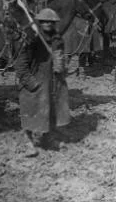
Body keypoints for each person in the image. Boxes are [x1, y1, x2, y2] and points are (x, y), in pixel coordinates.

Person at [16, 8, 70, 157]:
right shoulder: (31, 38)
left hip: (51, 79)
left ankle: (48, 137)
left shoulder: (57, 39)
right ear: (39, 22)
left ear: (54, 23)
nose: (47, 24)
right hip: (34, 77)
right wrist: (29, 81)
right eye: (44, 21)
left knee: (52, 108)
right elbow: (20, 63)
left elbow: (61, 56)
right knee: (30, 110)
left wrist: (61, 66)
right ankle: (28, 142)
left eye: (50, 21)